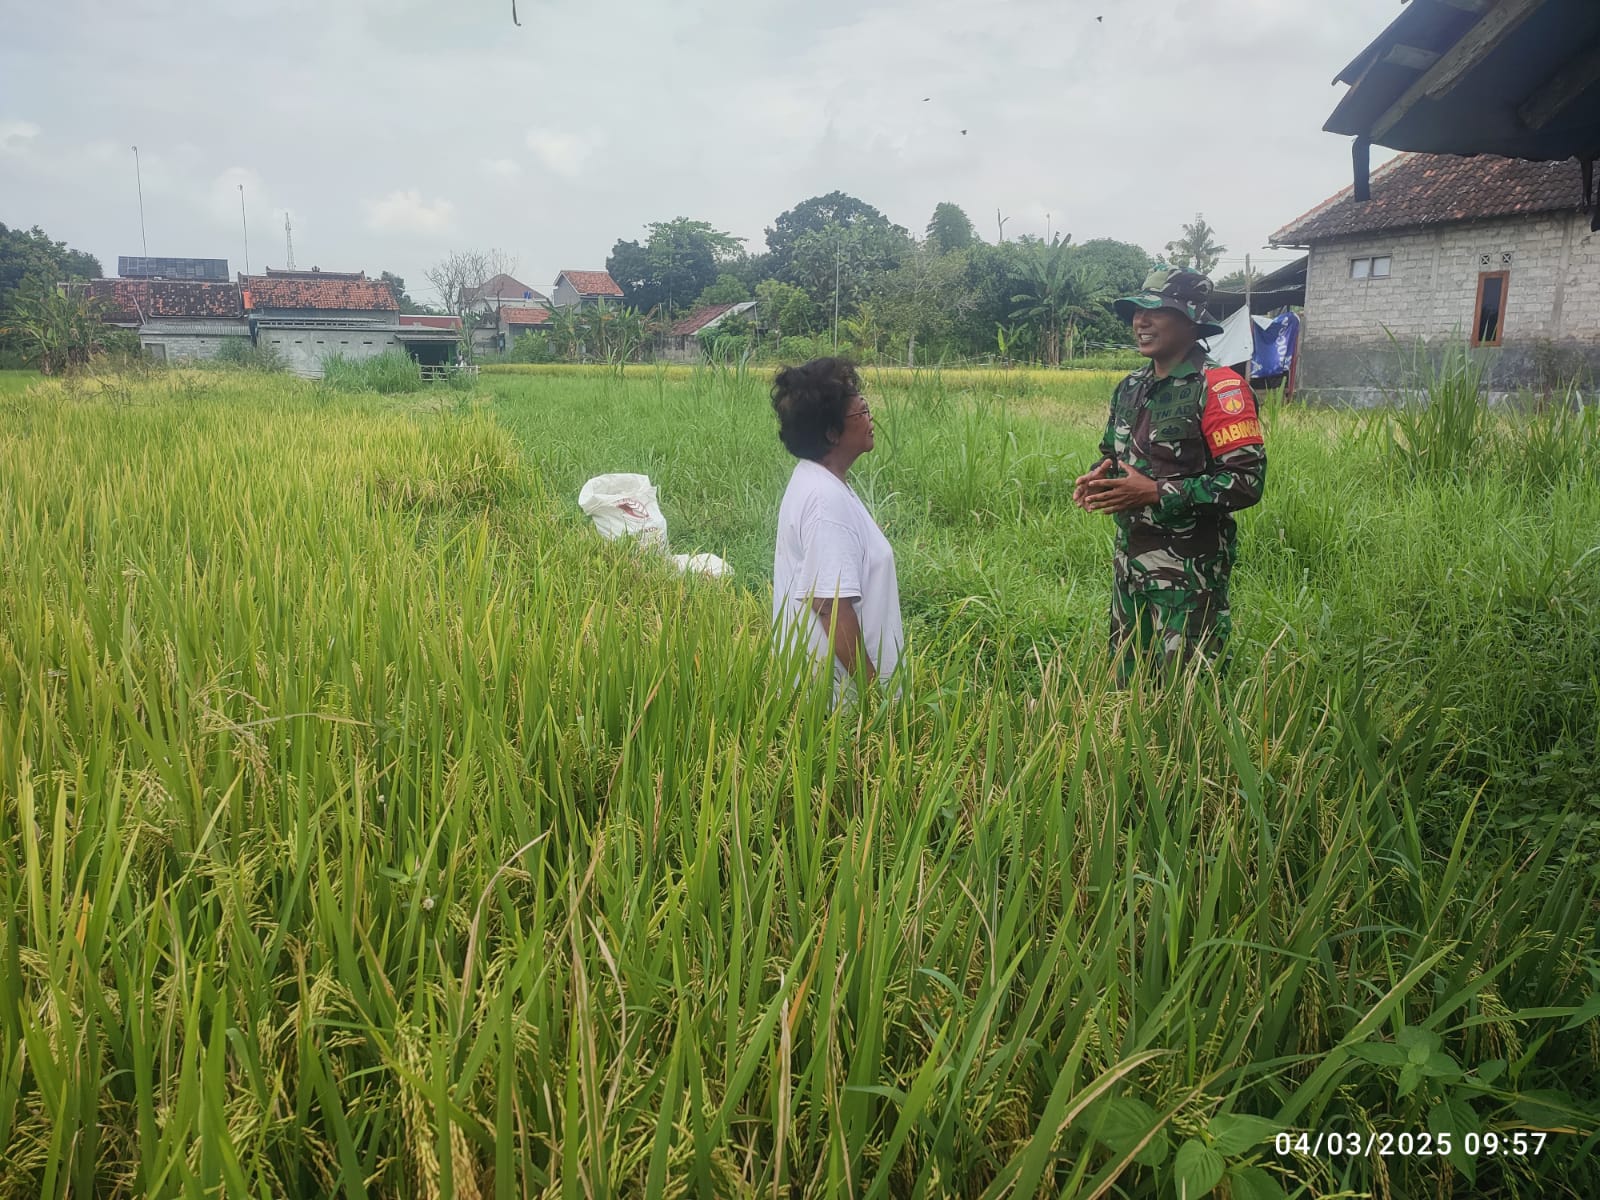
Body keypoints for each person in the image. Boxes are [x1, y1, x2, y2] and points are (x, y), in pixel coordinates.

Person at [1073, 267, 1266, 684]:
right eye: (1136, 312)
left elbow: (1246, 482)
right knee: (1128, 678)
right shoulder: (1131, 386)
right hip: (1130, 563)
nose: (1140, 322)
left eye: (1156, 311)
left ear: (1191, 320)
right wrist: (1097, 477)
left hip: (1188, 574)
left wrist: (1156, 493)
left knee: (1187, 691)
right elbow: (1112, 453)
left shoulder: (1219, 388)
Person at [770, 357, 902, 695]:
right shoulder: (824, 499)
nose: (871, 419)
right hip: (839, 708)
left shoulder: (818, 482)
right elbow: (830, 605)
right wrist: (876, 698)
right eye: (861, 412)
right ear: (832, 432)